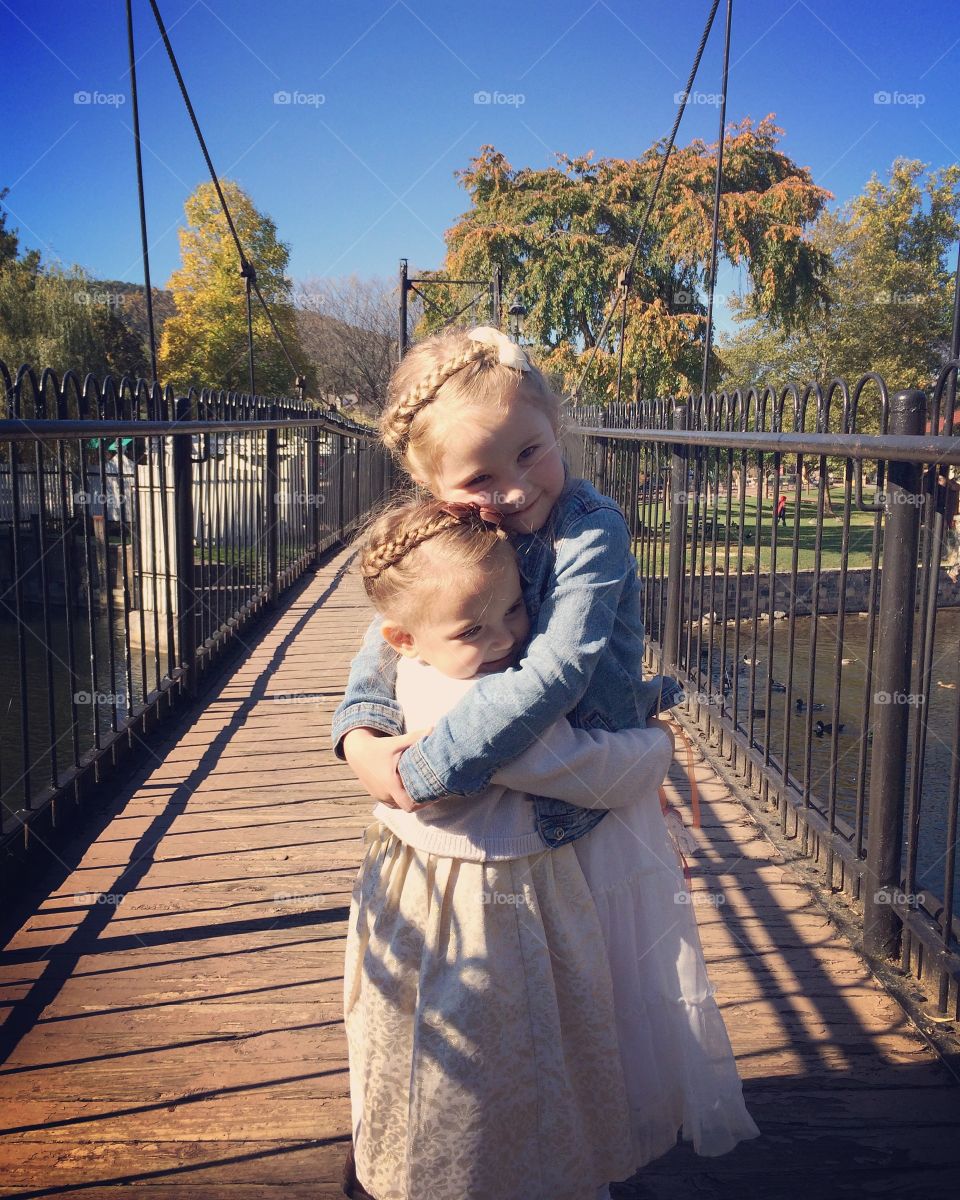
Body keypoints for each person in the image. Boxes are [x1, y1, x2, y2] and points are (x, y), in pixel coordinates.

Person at [333, 326, 760, 1196]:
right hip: (518, 783)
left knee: (577, 976)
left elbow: (560, 669)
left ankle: (560, 1151)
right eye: (480, 478)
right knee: (527, 984)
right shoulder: (445, 528)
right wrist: (362, 737)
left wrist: (426, 768)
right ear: (433, 486)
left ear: (557, 429)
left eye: (531, 453)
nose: (516, 488)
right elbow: (386, 635)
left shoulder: (590, 527)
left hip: (574, 766)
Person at [343, 498, 681, 1200]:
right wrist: (658, 749)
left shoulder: (440, 666)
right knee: (508, 1038)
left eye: (514, 613)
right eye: (474, 628)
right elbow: (586, 769)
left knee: (422, 1034)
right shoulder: (475, 710)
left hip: (424, 878)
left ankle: (429, 1162)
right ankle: (487, 1175)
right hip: (487, 901)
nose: (503, 641)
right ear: (402, 640)